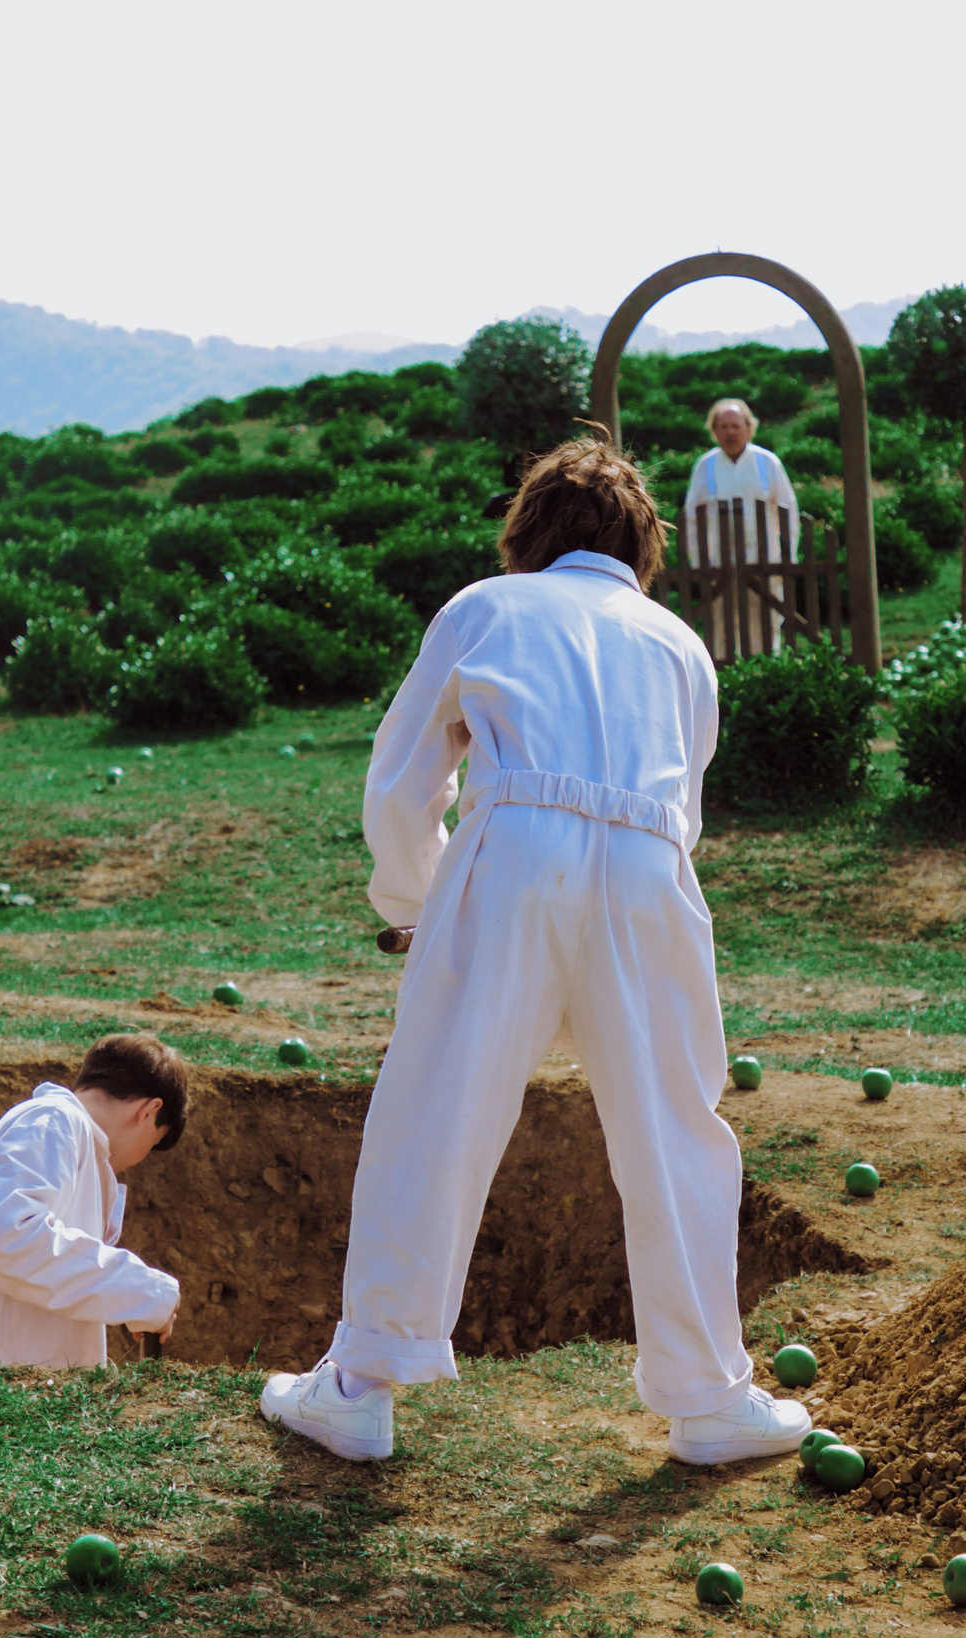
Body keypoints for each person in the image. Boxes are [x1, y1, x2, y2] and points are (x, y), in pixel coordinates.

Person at [257, 434, 810, 1466]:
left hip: (513, 847)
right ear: (641, 547)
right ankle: (709, 1400)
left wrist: (416, 900)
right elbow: (681, 806)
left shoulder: (487, 606)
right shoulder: (680, 643)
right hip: (649, 869)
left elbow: (402, 780)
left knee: (435, 1111)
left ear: (529, 535)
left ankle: (361, 1384)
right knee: (676, 1129)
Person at [0, 1034, 185, 1369]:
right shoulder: (54, 1122)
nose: (142, 1157)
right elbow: (4, 1237)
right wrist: (141, 1290)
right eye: (154, 1142)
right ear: (148, 1111)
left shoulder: (64, 1132)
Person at [682, 398, 799, 567]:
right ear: (714, 431)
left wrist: (787, 557)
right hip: (720, 566)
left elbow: (788, 509)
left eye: (735, 426)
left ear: (748, 428)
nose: (730, 432)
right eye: (724, 426)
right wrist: (699, 563)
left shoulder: (768, 462)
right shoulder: (704, 466)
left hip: (767, 564)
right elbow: (691, 517)